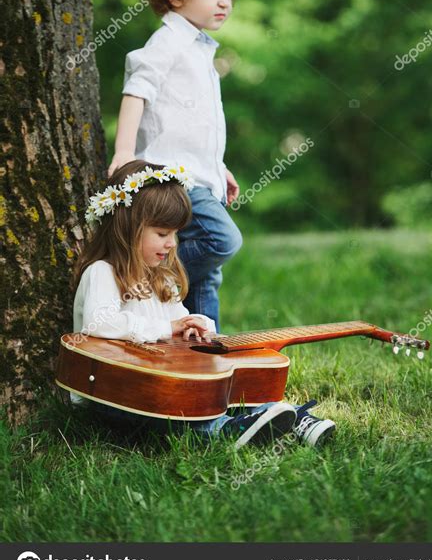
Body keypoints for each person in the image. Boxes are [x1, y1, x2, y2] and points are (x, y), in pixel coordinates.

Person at [69, 161, 336, 449]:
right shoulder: (102, 272)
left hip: (163, 386)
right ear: (127, 228)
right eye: (162, 233)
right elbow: (99, 323)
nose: (172, 243)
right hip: (114, 397)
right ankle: (226, 431)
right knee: (180, 413)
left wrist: (194, 326)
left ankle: (288, 418)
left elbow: (179, 320)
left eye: (175, 234)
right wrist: (166, 327)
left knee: (221, 388)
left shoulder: (161, 279)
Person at [107, 0, 245, 332]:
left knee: (208, 278)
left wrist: (218, 168)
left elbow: (198, 123)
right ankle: (152, 280)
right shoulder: (168, 42)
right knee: (223, 242)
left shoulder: (200, 48)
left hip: (200, 175)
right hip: (173, 177)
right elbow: (137, 90)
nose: (224, 2)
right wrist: (124, 152)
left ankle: (205, 353)